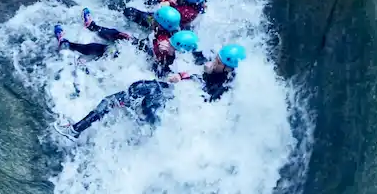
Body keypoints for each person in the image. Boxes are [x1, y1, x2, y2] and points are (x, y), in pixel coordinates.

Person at [57, 41, 246, 139]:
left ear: (228, 68)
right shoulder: (219, 71)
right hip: (172, 94)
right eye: (216, 58)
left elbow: (204, 102)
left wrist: (190, 78)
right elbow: (197, 61)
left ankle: (75, 130)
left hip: (175, 102)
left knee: (131, 104)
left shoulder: (221, 88)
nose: (214, 62)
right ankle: (79, 128)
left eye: (218, 62)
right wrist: (182, 73)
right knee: (134, 92)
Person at [56, 5, 190, 76]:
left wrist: (168, 53)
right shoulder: (168, 29)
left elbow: (167, 63)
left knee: (108, 50)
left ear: (160, 24)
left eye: (155, 19)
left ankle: (68, 45)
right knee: (122, 36)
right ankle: (92, 27)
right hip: (149, 54)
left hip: (150, 65)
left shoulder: (164, 40)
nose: (152, 19)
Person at [124, 0, 207, 32]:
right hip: (173, 21)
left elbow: (169, 17)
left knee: (130, 12)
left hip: (168, 25)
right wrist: (164, 1)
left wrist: (170, 3)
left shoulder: (187, 12)